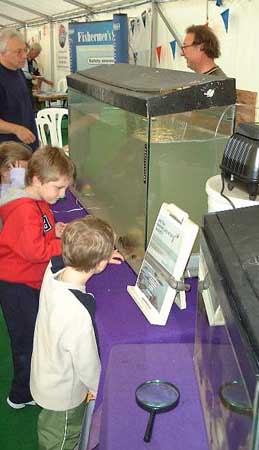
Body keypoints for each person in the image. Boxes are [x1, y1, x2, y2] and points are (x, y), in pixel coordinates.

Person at [30, 215, 115, 450]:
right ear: (100, 265)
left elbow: (64, 257)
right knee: (61, 439)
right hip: (63, 395)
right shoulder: (76, 312)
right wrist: (100, 388)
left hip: (45, 372)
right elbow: (87, 363)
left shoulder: (53, 270)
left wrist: (99, 255)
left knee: (50, 428)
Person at [0, 145, 75, 409]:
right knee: (25, 340)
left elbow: (38, 231)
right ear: (36, 180)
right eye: (59, 188)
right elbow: (35, 251)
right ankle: (20, 395)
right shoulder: (24, 209)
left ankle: (30, 385)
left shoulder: (38, 200)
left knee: (32, 335)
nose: (63, 194)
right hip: (16, 285)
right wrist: (66, 247)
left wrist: (54, 230)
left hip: (27, 281)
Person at [0, 29, 39, 151]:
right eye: (18, 52)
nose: (24, 55)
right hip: (8, 153)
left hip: (27, 147)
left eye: (25, 50)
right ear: (2, 53)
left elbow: (25, 109)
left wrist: (36, 139)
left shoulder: (18, 72)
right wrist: (17, 129)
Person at [23, 42, 53, 111]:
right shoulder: (24, 60)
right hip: (23, 86)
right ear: (32, 50)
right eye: (36, 53)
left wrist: (47, 81)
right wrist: (35, 78)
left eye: (38, 54)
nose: (37, 55)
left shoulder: (34, 62)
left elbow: (38, 75)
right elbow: (25, 74)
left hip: (29, 87)